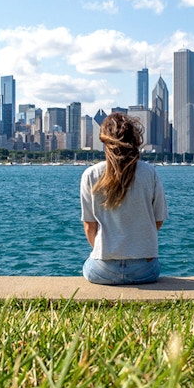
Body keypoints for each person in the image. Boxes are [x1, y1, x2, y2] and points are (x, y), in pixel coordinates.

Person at [80, 112, 168, 285]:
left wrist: (108, 252)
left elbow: (90, 226)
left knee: (87, 267)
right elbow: (158, 220)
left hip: (103, 270)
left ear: (105, 141)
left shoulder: (91, 174)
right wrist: (136, 243)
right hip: (144, 270)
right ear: (134, 140)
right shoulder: (150, 173)